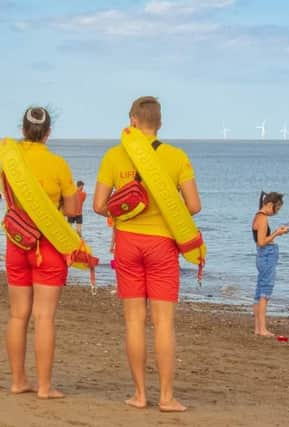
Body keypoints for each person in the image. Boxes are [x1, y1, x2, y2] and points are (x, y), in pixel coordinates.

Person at [93, 96, 201, 412]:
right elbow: (193, 206)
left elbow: (99, 205)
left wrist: (127, 211)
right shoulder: (176, 157)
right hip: (163, 246)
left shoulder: (114, 156)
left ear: (132, 121)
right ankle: (166, 397)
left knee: (134, 322)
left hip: (127, 243)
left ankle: (139, 394)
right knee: (164, 323)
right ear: (160, 124)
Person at [3, 106, 78, 400]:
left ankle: (18, 381)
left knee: (17, 316)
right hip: (47, 245)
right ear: (48, 133)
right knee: (44, 318)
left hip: (17, 240)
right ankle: (45, 387)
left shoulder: (9, 162)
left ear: (23, 130)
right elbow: (72, 210)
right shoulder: (58, 164)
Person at [252, 191, 289, 337]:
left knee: (259, 292)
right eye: (277, 208)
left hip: (264, 257)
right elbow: (261, 242)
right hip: (266, 256)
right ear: (269, 204)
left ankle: (258, 328)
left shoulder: (258, 216)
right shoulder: (262, 219)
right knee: (264, 293)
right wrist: (276, 233)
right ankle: (262, 329)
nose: (277, 212)